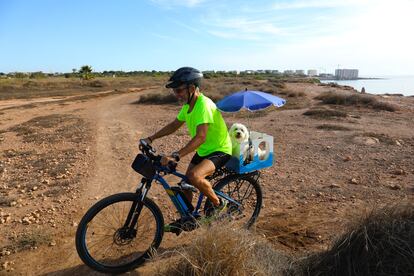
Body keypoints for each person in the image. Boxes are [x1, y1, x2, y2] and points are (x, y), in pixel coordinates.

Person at [142, 67, 232, 220]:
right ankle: (188, 217)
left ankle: (219, 204)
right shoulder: (188, 106)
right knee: (185, 184)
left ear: (192, 88)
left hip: (220, 149)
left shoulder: (203, 105)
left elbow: (200, 137)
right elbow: (174, 125)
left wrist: (176, 155)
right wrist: (151, 138)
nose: (176, 95)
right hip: (205, 150)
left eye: (178, 90)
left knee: (194, 176)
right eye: (175, 91)